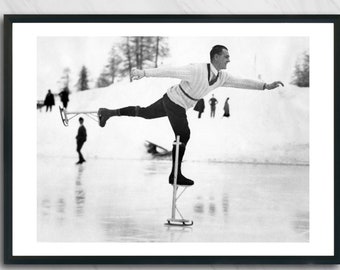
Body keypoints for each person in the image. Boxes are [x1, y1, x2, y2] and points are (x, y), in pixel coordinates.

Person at [97, 45, 284, 186]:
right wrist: (143, 73)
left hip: (174, 100)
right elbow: (169, 71)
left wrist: (264, 86)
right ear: (216, 57)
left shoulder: (222, 77)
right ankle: (175, 175)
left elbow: (241, 82)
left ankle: (108, 113)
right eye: (226, 56)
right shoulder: (196, 70)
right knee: (184, 134)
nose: (228, 60)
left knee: (144, 113)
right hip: (174, 102)